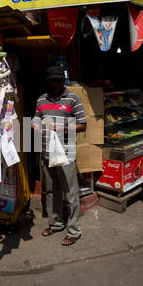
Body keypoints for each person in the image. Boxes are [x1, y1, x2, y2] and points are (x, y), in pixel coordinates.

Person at [32, 66, 87, 246]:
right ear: (48, 83)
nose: (55, 84)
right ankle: (55, 223)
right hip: (47, 153)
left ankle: (74, 231)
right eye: (52, 82)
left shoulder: (72, 98)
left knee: (70, 192)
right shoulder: (41, 99)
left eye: (58, 81)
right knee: (51, 190)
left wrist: (63, 128)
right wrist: (35, 124)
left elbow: (82, 125)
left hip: (66, 153)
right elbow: (35, 117)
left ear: (63, 81)